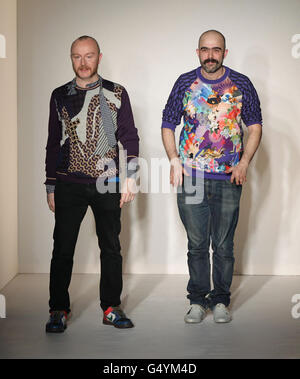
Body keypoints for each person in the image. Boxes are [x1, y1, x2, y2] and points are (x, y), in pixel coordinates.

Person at [161, 30, 262, 323]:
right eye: (205, 50)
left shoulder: (241, 83)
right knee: (196, 243)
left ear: (225, 53)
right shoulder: (185, 83)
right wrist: (173, 160)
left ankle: (220, 300)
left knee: (224, 244)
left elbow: (254, 126)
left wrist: (244, 162)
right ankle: (196, 300)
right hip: (191, 176)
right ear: (197, 52)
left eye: (216, 50)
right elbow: (168, 123)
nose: (210, 55)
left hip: (229, 177)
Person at [44, 35, 139, 332]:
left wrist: (131, 177)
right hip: (68, 184)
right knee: (62, 249)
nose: (83, 62)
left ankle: (111, 307)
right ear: (71, 58)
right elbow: (53, 143)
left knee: (111, 247)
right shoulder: (59, 95)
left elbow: (130, 137)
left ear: (99, 57)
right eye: (77, 56)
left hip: (107, 182)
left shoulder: (117, 93)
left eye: (89, 56)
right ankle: (58, 309)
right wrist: (50, 185)